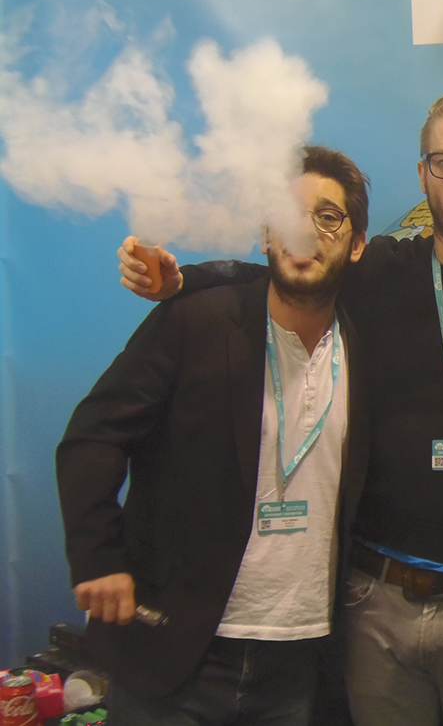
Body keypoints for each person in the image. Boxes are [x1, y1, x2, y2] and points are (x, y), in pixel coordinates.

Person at [118, 92, 443, 726]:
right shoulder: (376, 266)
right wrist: (185, 279)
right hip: (372, 599)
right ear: (423, 174)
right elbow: (277, 269)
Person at [58, 145, 370, 725]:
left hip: (300, 660)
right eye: (288, 215)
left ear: (356, 245)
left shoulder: (366, 343)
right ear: (266, 234)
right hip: (177, 652)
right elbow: (92, 437)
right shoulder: (196, 321)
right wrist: (97, 558)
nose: (304, 231)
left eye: (328, 217)